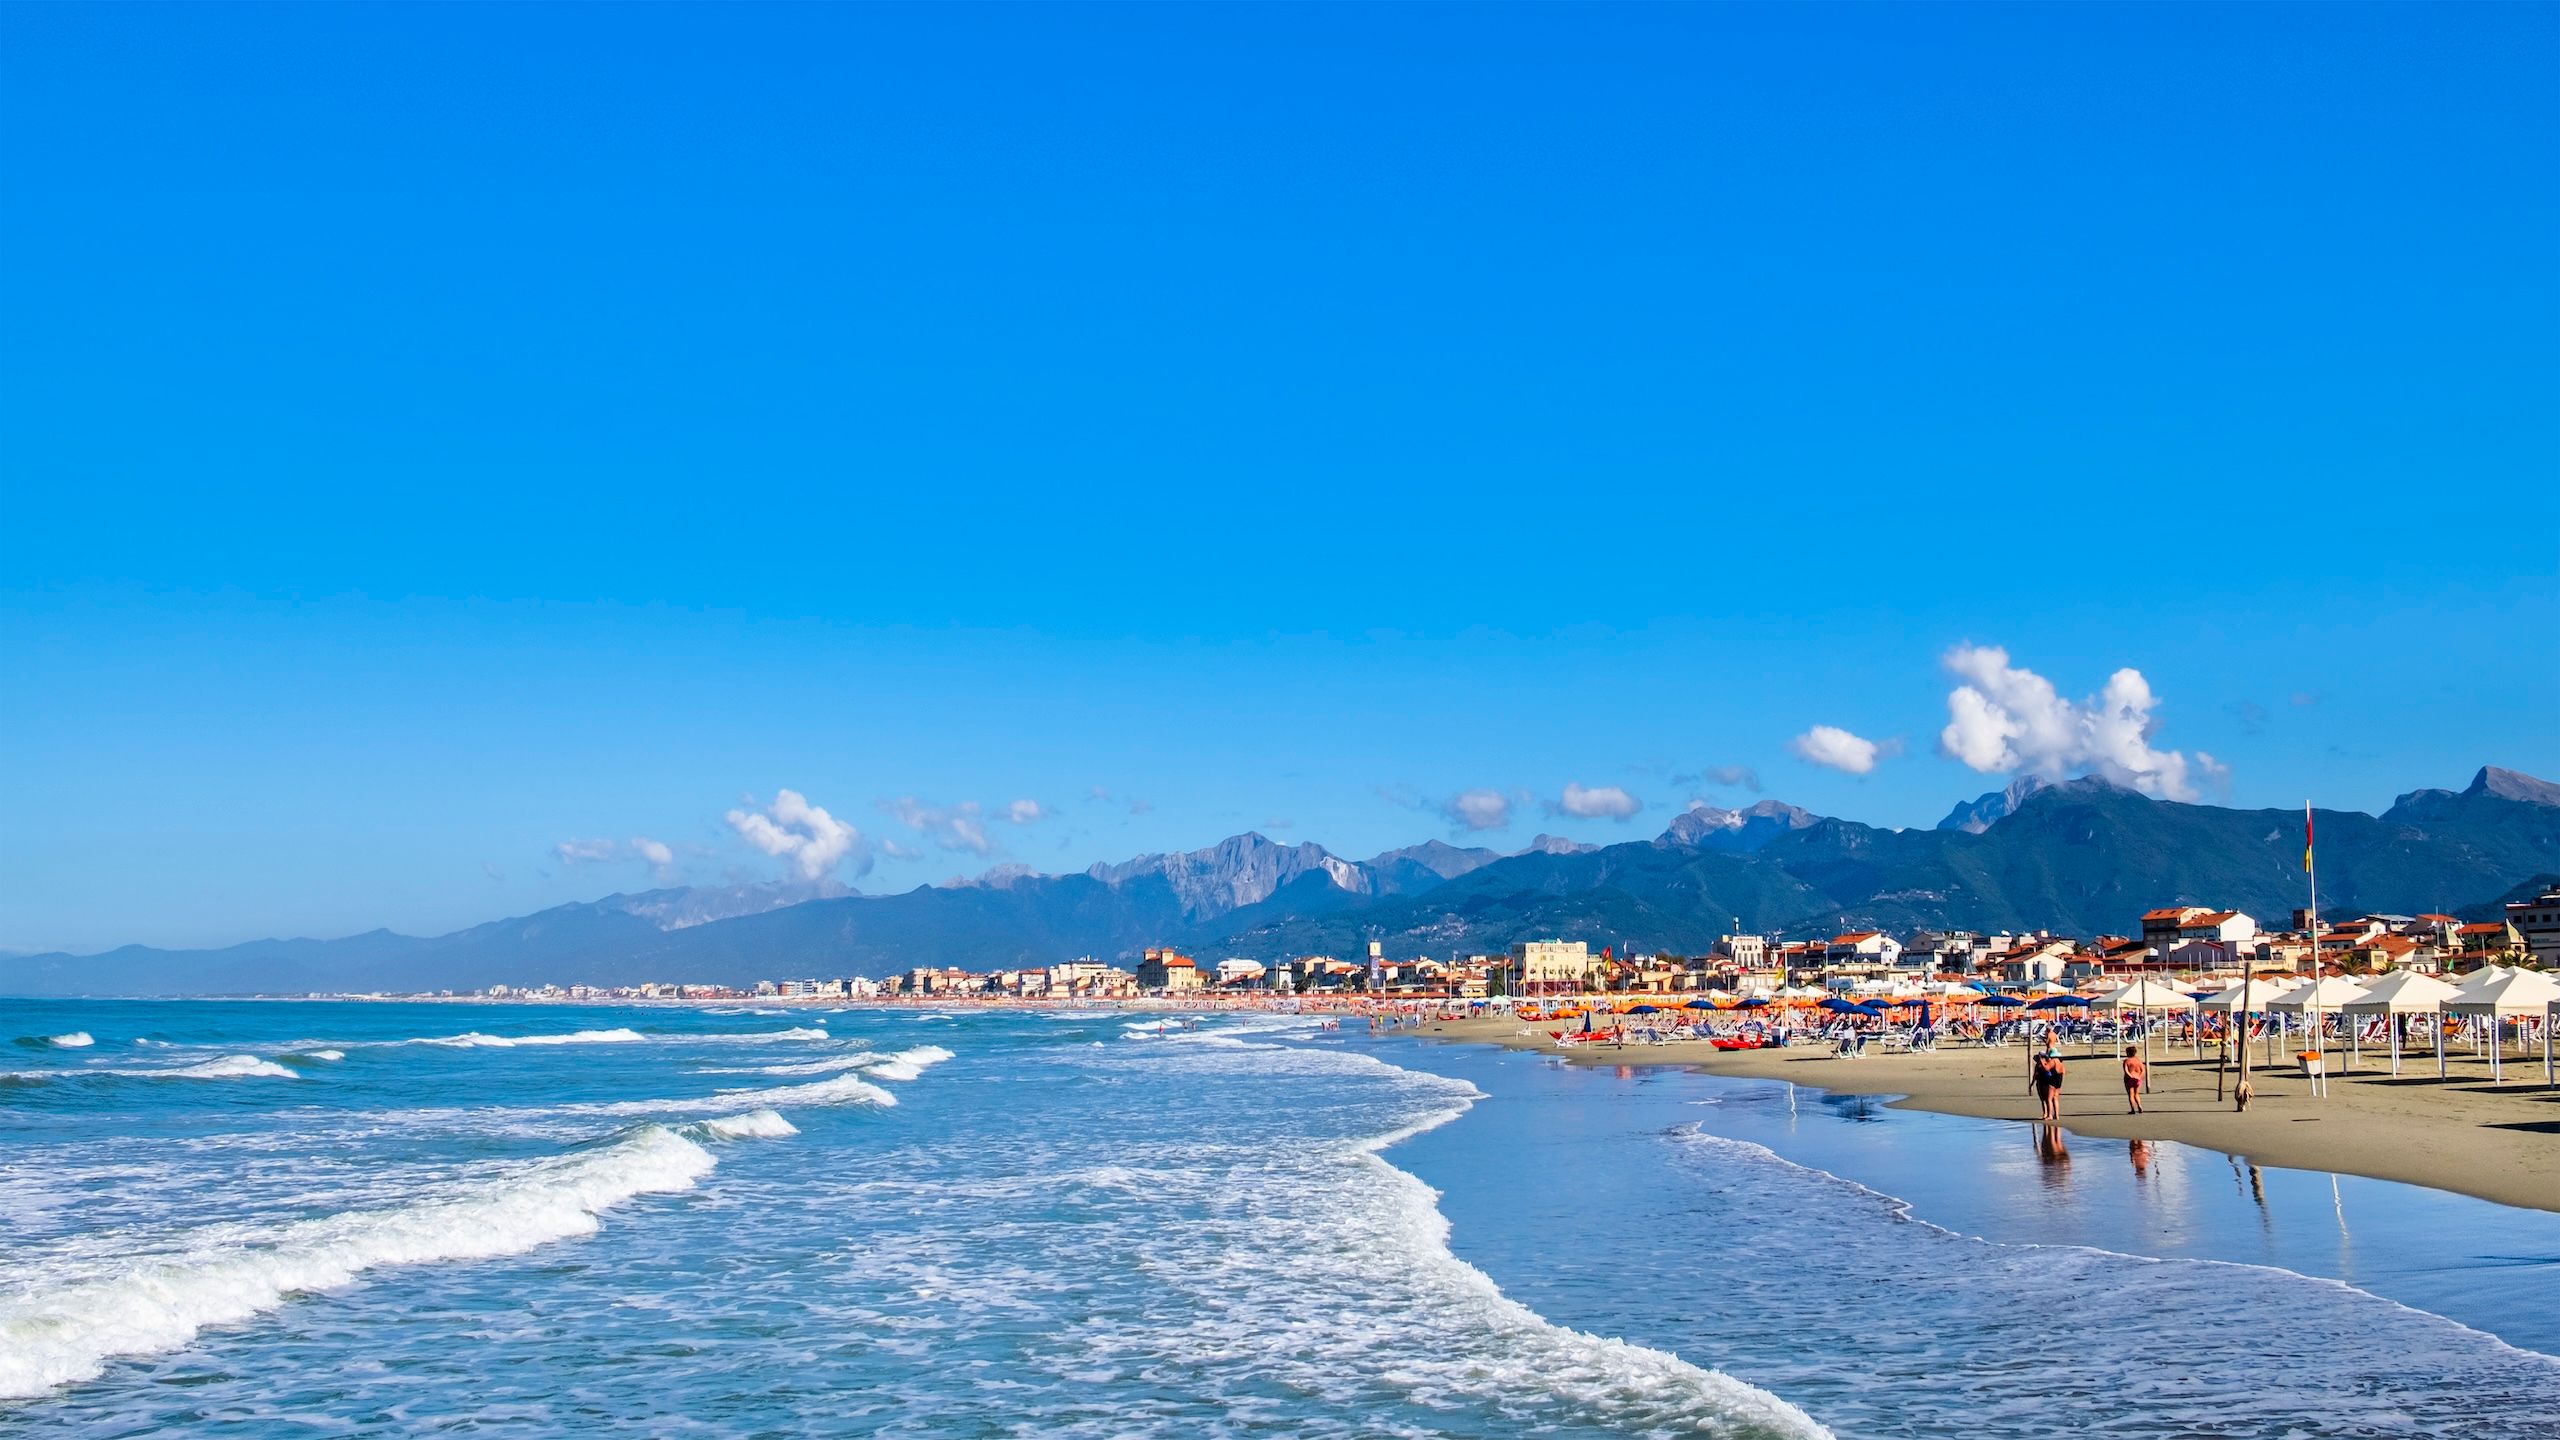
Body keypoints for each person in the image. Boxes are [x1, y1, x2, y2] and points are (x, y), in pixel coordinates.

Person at [2030, 1045, 2065, 1123]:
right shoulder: (2060, 1062)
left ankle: (2050, 1115)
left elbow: (2046, 1068)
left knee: (2049, 1098)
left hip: (2053, 1080)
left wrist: (2042, 1062)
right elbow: (2063, 1071)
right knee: (2055, 1098)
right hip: (2059, 1079)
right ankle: (2056, 1115)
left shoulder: (2053, 1061)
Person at [2121, 1045, 2147, 1114]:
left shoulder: (2127, 1061)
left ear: (2128, 1053)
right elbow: (2143, 1070)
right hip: (2138, 1078)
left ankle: (2133, 1109)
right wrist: (2140, 1077)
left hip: (2129, 1079)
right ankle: (2139, 1106)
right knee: (2136, 1094)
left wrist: (2130, 1076)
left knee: (2131, 1094)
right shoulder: (2138, 1061)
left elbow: (2126, 1070)